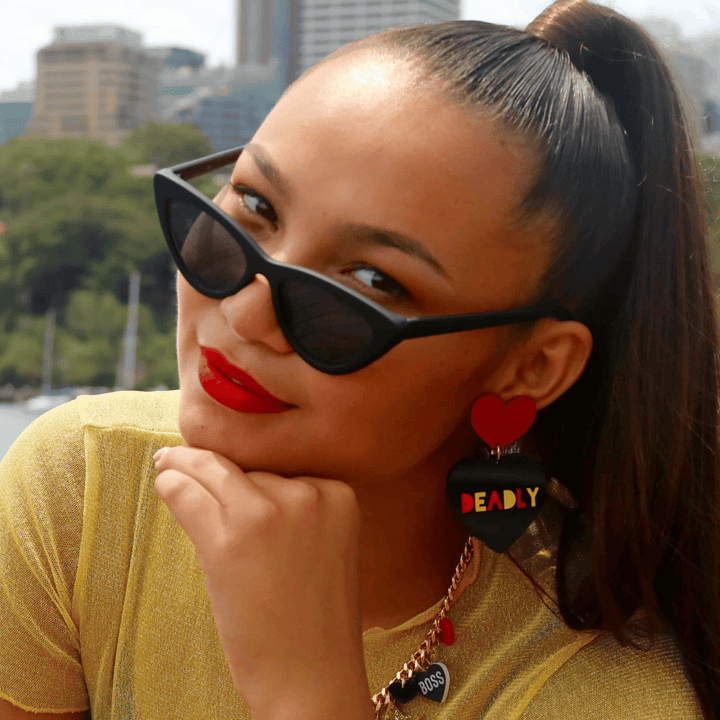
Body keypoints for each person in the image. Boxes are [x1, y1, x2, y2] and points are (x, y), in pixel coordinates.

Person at [0, 0, 718, 718]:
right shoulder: (87, 492)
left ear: (531, 367)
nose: (247, 315)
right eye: (252, 207)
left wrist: (307, 696)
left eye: (371, 282)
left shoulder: (602, 687)